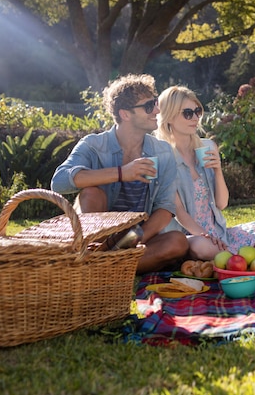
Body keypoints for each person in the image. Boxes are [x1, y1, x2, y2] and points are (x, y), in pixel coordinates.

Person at [51, 74, 189, 274]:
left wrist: (135, 238)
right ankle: (106, 262)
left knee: (178, 242)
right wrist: (121, 173)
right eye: (149, 106)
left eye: (156, 103)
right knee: (91, 193)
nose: (157, 110)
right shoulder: (94, 145)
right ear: (125, 114)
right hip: (97, 235)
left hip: (135, 236)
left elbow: (165, 208)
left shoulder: (163, 151)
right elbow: (59, 182)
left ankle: (98, 268)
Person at [154, 85, 255, 260]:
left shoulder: (207, 147)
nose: (195, 118)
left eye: (197, 111)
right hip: (191, 236)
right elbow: (180, 213)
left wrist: (218, 169)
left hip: (221, 233)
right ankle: (249, 254)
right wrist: (206, 236)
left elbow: (222, 204)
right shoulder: (163, 158)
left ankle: (240, 255)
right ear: (169, 116)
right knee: (203, 247)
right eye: (187, 113)